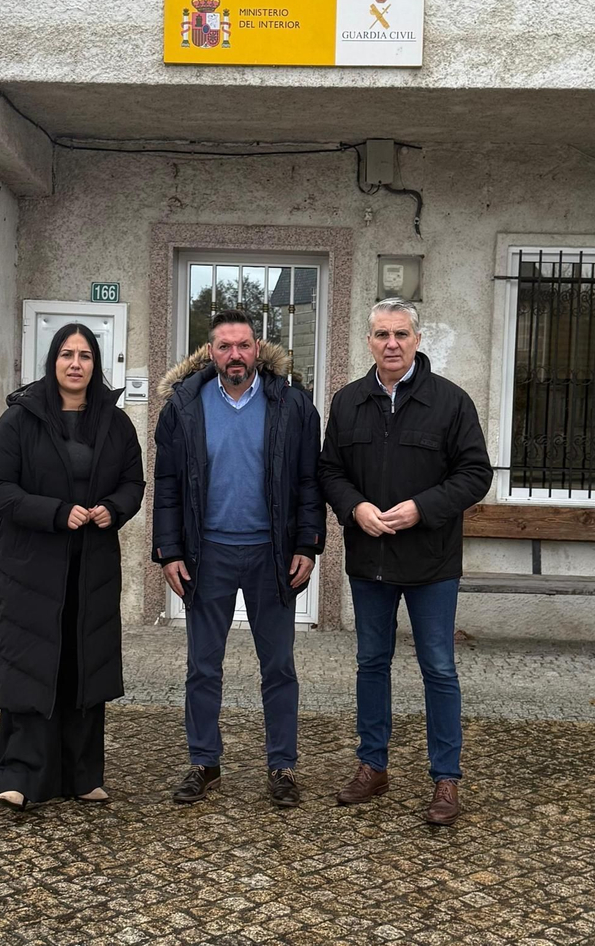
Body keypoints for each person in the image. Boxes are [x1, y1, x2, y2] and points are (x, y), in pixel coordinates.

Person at [317, 298, 492, 826]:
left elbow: (474, 474)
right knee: (371, 664)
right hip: (369, 560)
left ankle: (446, 778)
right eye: (381, 335)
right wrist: (354, 507)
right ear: (368, 341)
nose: (391, 343)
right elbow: (329, 471)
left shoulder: (451, 402)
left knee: (438, 668)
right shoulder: (347, 403)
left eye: (400, 334)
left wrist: (423, 509)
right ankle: (373, 765)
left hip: (431, 562)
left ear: (417, 339)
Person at [152, 309, 325, 808]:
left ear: (258, 349)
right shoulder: (184, 405)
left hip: (272, 555)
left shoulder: (292, 405)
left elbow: (308, 481)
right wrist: (169, 551)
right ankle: (204, 763)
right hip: (207, 555)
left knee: (279, 666)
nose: (235, 355)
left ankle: (283, 767)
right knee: (203, 666)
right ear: (210, 353)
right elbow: (166, 485)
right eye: (224, 347)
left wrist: (307, 545)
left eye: (243, 345)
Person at [0, 323, 145, 812]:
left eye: (86, 355)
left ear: (96, 364)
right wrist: (53, 512)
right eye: (67, 354)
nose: (76, 364)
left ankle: (83, 775)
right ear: (53, 361)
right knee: (32, 665)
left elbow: (133, 482)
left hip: (91, 566)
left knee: (83, 665)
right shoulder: (21, 419)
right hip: (32, 567)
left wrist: (113, 508)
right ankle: (19, 776)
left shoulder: (115, 424)